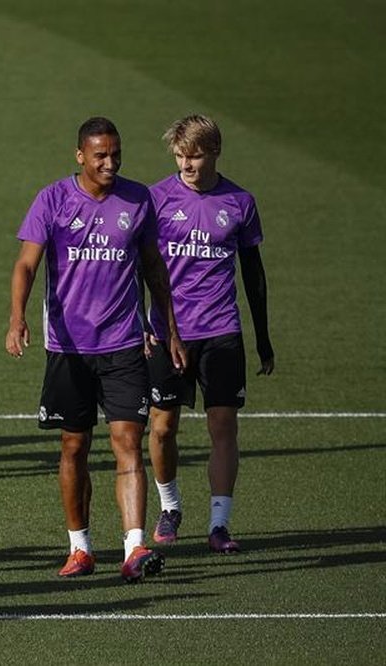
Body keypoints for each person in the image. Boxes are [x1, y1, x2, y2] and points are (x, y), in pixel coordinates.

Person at [6, 117, 187, 583]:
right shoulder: (52, 199)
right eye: (101, 155)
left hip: (125, 343)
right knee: (74, 447)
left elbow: (152, 267)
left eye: (116, 154)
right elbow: (27, 264)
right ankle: (80, 547)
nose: (110, 163)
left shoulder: (138, 199)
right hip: (68, 347)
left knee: (128, 444)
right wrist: (17, 317)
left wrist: (169, 328)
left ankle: (133, 547)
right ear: (80, 156)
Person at [145, 115, 274, 553]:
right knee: (162, 428)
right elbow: (136, 266)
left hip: (221, 330)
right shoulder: (156, 199)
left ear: (215, 151)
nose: (187, 164)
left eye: (195, 155)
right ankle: (170, 506)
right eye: (181, 155)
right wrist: (140, 325)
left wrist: (263, 337)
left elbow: (253, 274)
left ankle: (219, 524)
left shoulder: (240, 202)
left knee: (223, 425)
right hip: (167, 331)